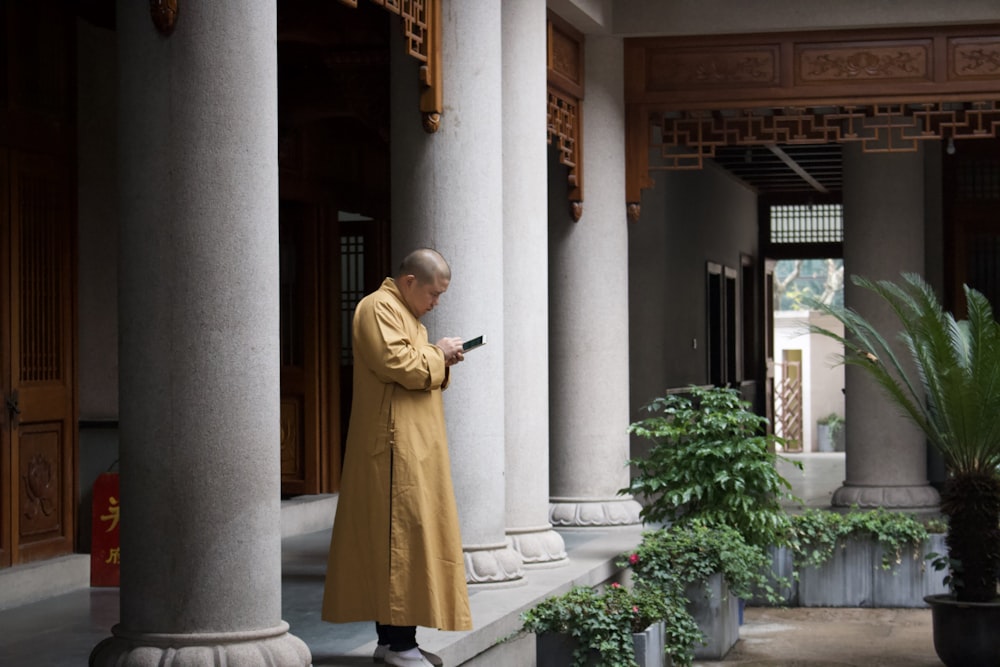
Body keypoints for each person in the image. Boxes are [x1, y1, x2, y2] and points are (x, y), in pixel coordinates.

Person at [322, 248, 473, 667]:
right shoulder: (376, 307)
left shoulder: (406, 315)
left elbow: (418, 370)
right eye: (433, 293)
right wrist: (437, 353)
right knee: (400, 539)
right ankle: (400, 645)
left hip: (411, 444)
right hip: (393, 448)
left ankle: (392, 642)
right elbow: (400, 364)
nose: (436, 302)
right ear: (409, 282)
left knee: (398, 539)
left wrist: (442, 358)